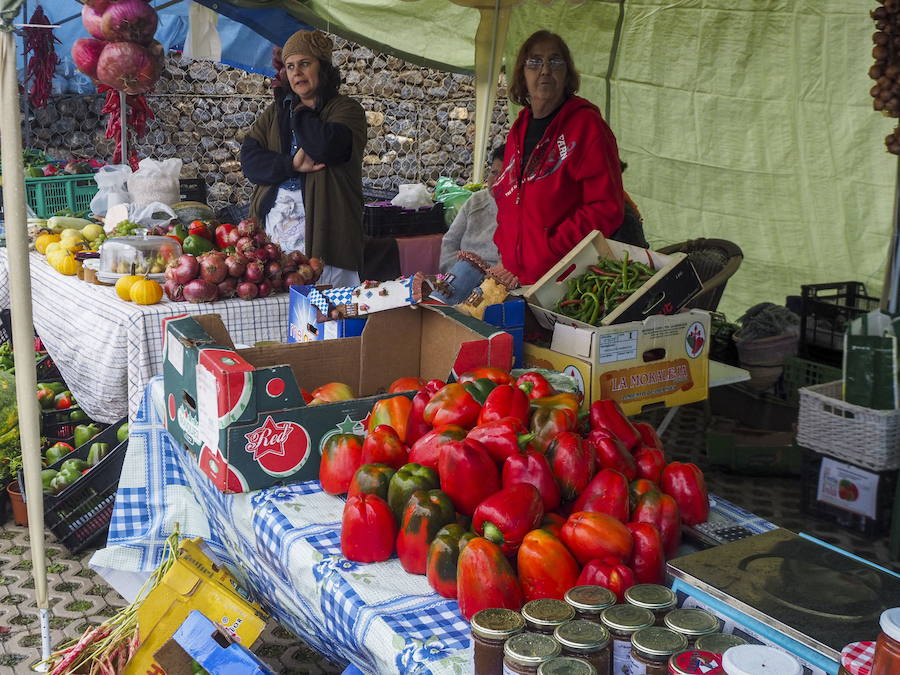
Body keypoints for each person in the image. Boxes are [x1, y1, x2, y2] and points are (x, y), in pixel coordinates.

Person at [492, 30, 646, 285]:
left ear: (567, 74)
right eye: (534, 61)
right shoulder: (518, 131)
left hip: (568, 278)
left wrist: (553, 248)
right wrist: (507, 248)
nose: (544, 70)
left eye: (555, 61)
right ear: (522, 73)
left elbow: (606, 207)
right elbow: (511, 197)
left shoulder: (586, 126)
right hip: (522, 278)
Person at [241, 30, 367, 287]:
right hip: (277, 233)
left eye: (304, 64)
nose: (296, 72)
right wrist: (291, 165)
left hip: (327, 233)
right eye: (290, 66)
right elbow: (250, 162)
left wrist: (299, 110)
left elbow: (324, 147)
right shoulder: (275, 114)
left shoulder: (346, 110)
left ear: (323, 68)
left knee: (330, 316)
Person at [439, 144, 505, 273]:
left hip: (496, 278)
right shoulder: (476, 200)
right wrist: (452, 273)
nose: (495, 180)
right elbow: (450, 241)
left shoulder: (523, 206)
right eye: (493, 172)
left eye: (503, 175)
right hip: (461, 270)